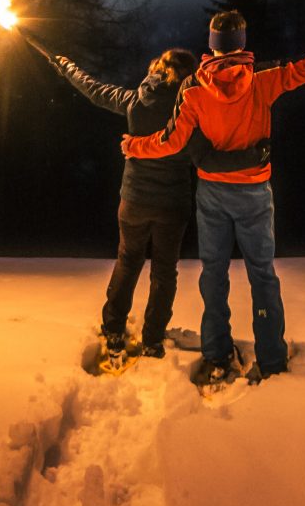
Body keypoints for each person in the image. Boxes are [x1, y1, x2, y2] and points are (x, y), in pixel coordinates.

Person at [121, 8, 305, 384]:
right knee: (262, 274)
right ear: (242, 43)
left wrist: (134, 146)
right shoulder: (263, 78)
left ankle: (216, 353)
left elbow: (171, 141)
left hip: (212, 192)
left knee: (214, 274)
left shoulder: (193, 88)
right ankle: (272, 358)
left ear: (212, 46)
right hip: (254, 193)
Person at [52, 47, 266, 359]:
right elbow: (209, 158)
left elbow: (94, 90)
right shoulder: (191, 113)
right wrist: (253, 154)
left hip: (134, 201)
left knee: (128, 262)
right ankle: (152, 339)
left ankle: (113, 330)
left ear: (158, 70)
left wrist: (67, 66)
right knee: (164, 272)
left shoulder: (135, 100)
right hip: (171, 206)